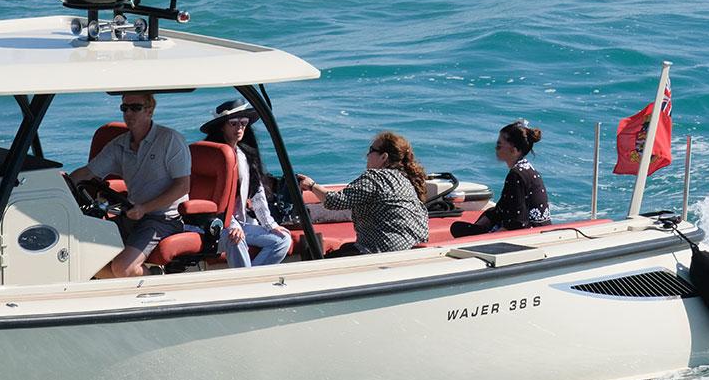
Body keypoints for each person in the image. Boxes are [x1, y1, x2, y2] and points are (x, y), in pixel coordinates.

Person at [71, 93, 191, 277]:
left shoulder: (170, 140)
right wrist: (60, 187)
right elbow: (87, 173)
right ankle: (124, 291)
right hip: (131, 215)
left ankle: (159, 284)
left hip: (163, 219)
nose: (129, 113)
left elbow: (182, 187)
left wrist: (145, 208)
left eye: (135, 108)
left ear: (150, 110)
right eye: (124, 108)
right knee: (84, 259)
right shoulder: (119, 145)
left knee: (123, 267)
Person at [297, 131, 429, 257]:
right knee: (346, 248)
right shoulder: (405, 181)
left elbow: (334, 201)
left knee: (313, 253)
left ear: (384, 157)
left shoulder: (376, 177)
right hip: (406, 249)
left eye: (371, 150)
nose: (367, 155)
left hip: (379, 252)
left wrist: (311, 186)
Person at [201, 99, 291, 268]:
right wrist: (232, 225)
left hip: (240, 222)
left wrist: (270, 224)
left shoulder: (244, 155)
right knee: (236, 237)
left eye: (243, 123)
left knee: (282, 239)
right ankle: (246, 283)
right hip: (213, 223)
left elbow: (257, 192)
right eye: (233, 123)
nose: (240, 128)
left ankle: (250, 280)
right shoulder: (211, 156)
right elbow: (214, 198)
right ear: (222, 127)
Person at [451, 119, 550, 238]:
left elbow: (517, 222)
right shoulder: (527, 169)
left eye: (499, 145)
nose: (495, 149)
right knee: (469, 224)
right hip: (541, 228)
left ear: (514, 150)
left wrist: (486, 239)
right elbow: (501, 209)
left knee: (458, 229)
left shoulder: (516, 174)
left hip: (529, 234)